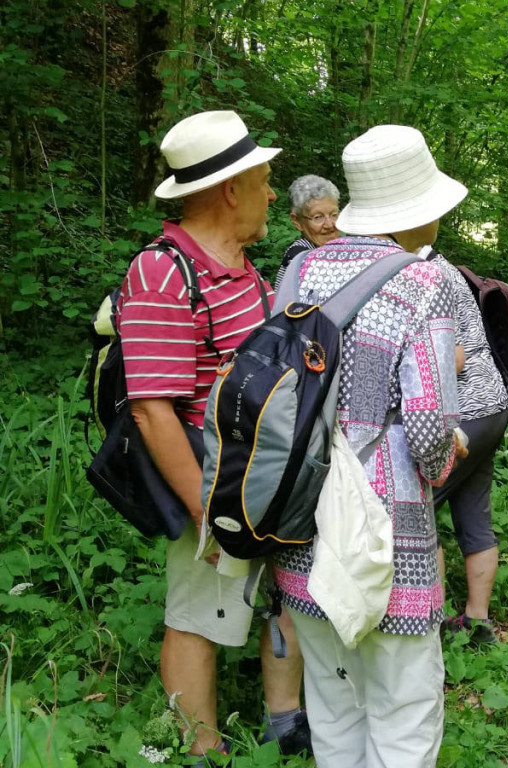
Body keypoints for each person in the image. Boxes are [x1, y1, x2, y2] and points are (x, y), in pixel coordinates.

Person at [117, 110, 309, 761]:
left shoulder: (244, 267)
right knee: (200, 617)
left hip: (262, 480)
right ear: (231, 189)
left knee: (282, 592)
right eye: (264, 179)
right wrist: (207, 513)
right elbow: (152, 410)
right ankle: (202, 750)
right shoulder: (162, 274)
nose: (273, 192)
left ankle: (284, 722)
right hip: (211, 484)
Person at [273, 124, 466, 767]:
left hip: (300, 514)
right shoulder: (421, 282)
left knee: (332, 702)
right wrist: (444, 460)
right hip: (388, 527)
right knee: (404, 702)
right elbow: (429, 422)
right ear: (418, 209)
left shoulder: (299, 272)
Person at [428, 249, 508, 646]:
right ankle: (477, 624)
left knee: (417, 511)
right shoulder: (445, 267)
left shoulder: (428, 275)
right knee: (473, 514)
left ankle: (434, 626)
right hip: (492, 407)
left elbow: (454, 358)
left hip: (466, 414)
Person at [275, 174, 341, 289]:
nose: (330, 225)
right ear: (297, 221)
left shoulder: (337, 248)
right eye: (318, 217)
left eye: (334, 215)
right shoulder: (300, 259)